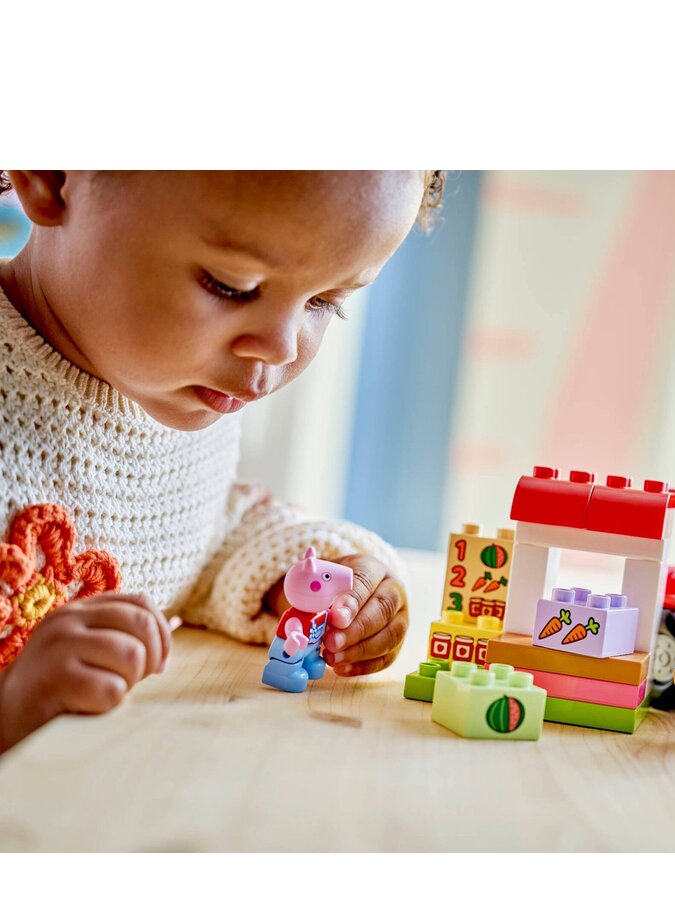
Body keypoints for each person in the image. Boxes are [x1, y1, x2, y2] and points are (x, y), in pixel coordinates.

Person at [0, 170, 445, 752]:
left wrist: (318, 582)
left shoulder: (175, 389)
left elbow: (201, 540)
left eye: (324, 303)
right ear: (54, 178)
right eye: (232, 285)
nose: (280, 347)